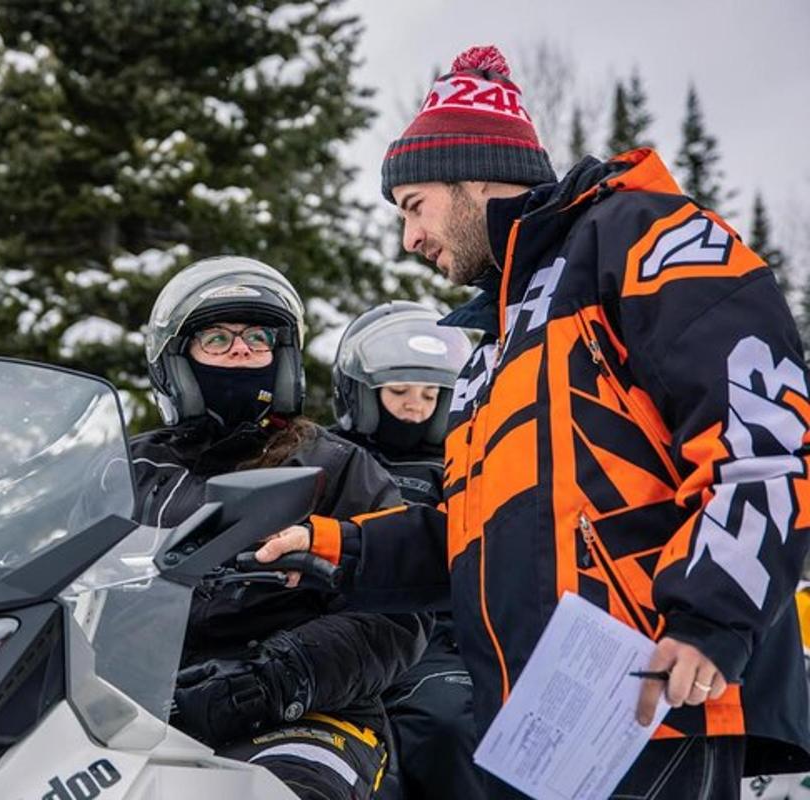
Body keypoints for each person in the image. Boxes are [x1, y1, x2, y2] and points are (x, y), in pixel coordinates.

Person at [256, 44, 810, 797]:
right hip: (540, 726)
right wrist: (334, 547)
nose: (409, 240)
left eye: (414, 208)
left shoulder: (643, 236)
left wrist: (710, 621)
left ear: (474, 176)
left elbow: (765, 433)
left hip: (654, 698)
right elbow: (475, 537)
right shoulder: (501, 343)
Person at [133, 255, 425, 800]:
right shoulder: (133, 469)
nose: (241, 350)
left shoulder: (335, 467)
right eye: (217, 339)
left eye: (258, 337)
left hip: (306, 715)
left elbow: (396, 612)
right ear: (176, 361)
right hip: (134, 710)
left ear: (282, 357)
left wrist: (270, 677)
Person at [329, 301, 483, 799]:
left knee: (448, 726)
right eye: (398, 392)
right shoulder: (329, 458)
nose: (415, 406)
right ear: (363, 393)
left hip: (433, 640)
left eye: (430, 393)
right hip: (337, 631)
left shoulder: (461, 467)